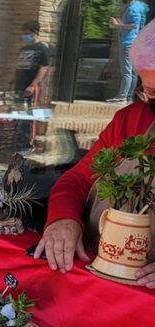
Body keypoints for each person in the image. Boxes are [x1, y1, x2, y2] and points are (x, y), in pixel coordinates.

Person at [34, 21, 155, 287]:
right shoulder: (131, 122)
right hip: (98, 274)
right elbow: (76, 181)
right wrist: (64, 219)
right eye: (152, 93)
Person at [14, 21, 51, 151]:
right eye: (23, 34)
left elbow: (43, 68)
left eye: (27, 34)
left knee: (28, 116)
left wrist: (32, 85)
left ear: (35, 32)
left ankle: (27, 144)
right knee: (17, 115)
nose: (24, 36)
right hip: (19, 86)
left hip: (30, 87)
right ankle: (18, 143)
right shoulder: (24, 49)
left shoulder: (42, 49)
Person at [108, 0, 150, 103]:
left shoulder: (132, 8)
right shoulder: (140, 7)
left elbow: (133, 26)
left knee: (126, 72)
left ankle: (122, 96)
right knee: (132, 72)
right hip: (134, 43)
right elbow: (138, 27)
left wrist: (117, 25)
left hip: (127, 43)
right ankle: (129, 97)